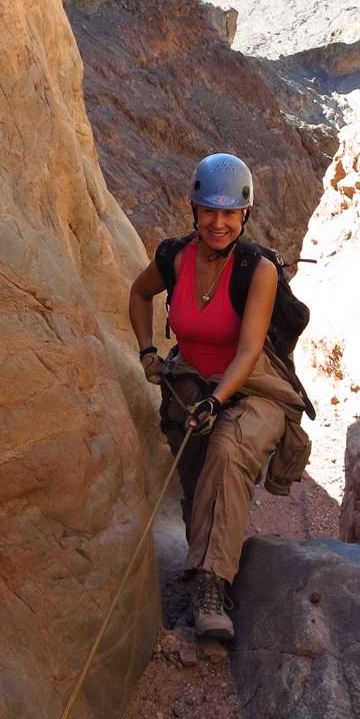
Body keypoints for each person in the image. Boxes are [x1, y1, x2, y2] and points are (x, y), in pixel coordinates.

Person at [128, 153, 309, 642]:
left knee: (228, 448)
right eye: (209, 210)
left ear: (244, 214)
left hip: (254, 382)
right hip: (193, 375)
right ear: (194, 208)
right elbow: (139, 294)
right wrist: (147, 351)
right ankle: (201, 562)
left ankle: (212, 586)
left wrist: (216, 399)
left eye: (229, 212)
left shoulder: (257, 270)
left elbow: (249, 350)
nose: (218, 222)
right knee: (195, 470)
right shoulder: (174, 259)